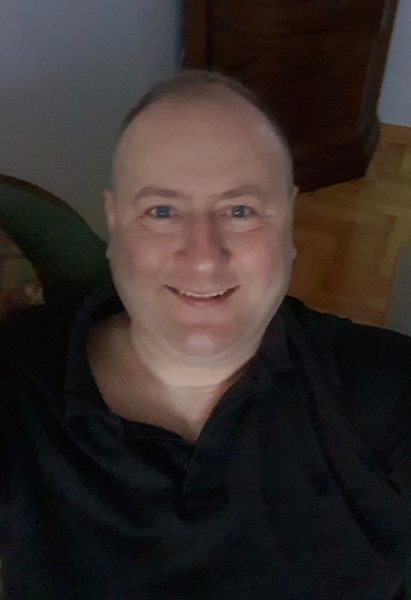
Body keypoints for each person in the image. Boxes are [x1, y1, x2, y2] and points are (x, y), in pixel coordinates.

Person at [1, 69, 411, 600]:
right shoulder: (17, 386)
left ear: (288, 222)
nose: (202, 257)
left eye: (240, 210)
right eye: (162, 211)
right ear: (115, 224)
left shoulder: (386, 387)